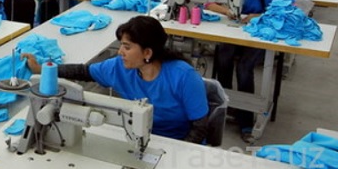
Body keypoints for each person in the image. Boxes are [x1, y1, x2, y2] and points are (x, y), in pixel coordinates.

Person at [22, 16, 209, 142]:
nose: (120, 52)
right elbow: (82, 71)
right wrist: (44, 69)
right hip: (137, 136)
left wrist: (177, 152)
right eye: (121, 46)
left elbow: (200, 126)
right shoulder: (119, 67)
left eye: (127, 47)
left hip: (176, 141)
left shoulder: (184, 77)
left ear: (147, 53)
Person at [209, 0, 293, 142]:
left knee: (245, 67)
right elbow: (209, 2)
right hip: (236, 32)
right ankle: (226, 103)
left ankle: (246, 119)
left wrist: (258, 16)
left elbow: (289, 12)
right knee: (223, 57)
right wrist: (226, 11)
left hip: (262, 34)